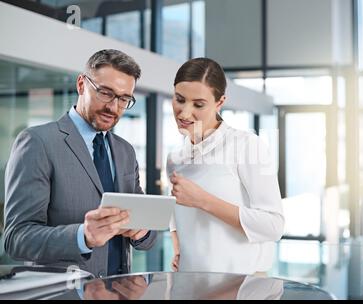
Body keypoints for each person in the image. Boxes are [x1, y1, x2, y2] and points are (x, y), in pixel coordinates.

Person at [3, 49, 156, 277]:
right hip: (65, 292)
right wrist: (82, 236)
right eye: (105, 93)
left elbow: (147, 234)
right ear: (82, 85)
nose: (113, 108)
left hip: (119, 288)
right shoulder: (38, 142)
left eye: (124, 99)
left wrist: (142, 231)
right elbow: (17, 238)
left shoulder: (126, 151)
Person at [167, 57, 284, 275]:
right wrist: (178, 248)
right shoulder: (175, 157)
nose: (183, 113)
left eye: (198, 104)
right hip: (190, 284)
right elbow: (176, 215)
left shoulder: (247, 146)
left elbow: (273, 225)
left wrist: (203, 200)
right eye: (179, 99)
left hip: (241, 287)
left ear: (220, 102)